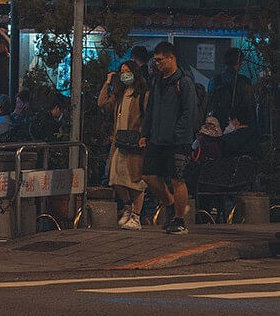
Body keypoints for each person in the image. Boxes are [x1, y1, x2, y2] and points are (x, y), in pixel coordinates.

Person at [141, 41, 198, 235]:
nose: (157, 64)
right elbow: (150, 110)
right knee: (148, 176)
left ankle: (180, 220)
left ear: (171, 58)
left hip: (177, 141)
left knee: (177, 179)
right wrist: (145, 133)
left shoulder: (184, 82)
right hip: (156, 139)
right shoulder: (157, 81)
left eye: (159, 60)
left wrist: (176, 133)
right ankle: (170, 204)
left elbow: (189, 112)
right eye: (155, 60)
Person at [98, 59, 148, 229]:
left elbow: (149, 117)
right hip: (119, 143)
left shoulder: (142, 94)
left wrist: (145, 136)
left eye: (127, 71)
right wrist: (107, 82)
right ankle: (128, 206)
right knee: (115, 178)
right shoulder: (119, 94)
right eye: (122, 71)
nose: (124, 74)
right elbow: (102, 103)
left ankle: (136, 215)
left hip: (135, 143)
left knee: (135, 180)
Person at [207, 47, 257, 131]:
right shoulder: (243, 81)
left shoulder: (214, 80)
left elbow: (209, 103)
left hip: (217, 126)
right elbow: (250, 106)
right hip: (238, 126)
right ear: (240, 62)